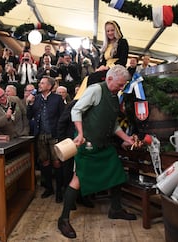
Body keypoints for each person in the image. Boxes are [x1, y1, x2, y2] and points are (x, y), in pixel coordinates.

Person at [57, 65, 137, 239]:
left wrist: (126, 138)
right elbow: (76, 110)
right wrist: (80, 133)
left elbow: (113, 124)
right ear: (109, 79)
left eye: (124, 85)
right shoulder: (95, 90)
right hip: (87, 144)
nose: (122, 88)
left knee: (116, 172)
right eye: (120, 84)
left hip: (104, 145)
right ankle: (63, 219)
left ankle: (115, 209)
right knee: (77, 179)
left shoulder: (115, 96)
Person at [26, 76, 65, 202]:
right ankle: (49, 188)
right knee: (45, 162)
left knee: (57, 162)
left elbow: (62, 117)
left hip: (54, 135)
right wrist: (30, 104)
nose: (39, 84)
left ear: (49, 86)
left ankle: (59, 190)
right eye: (40, 83)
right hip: (40, 135)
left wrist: (61, 135)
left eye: (42, 83)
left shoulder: (57, 99)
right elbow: (29, 116)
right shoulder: (35, 99)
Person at [87, 20, 129, 86]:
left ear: (116, 30)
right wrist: (99, 68)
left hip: (116, 70)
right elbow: (103, 61)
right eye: (108, 31)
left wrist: (107, 67)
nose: (110, 33)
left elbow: (123, 61)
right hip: (105, 69)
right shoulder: (106, 45)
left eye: (112, 30)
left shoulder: (122, 42)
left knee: (94, 78)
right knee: (89, 77)